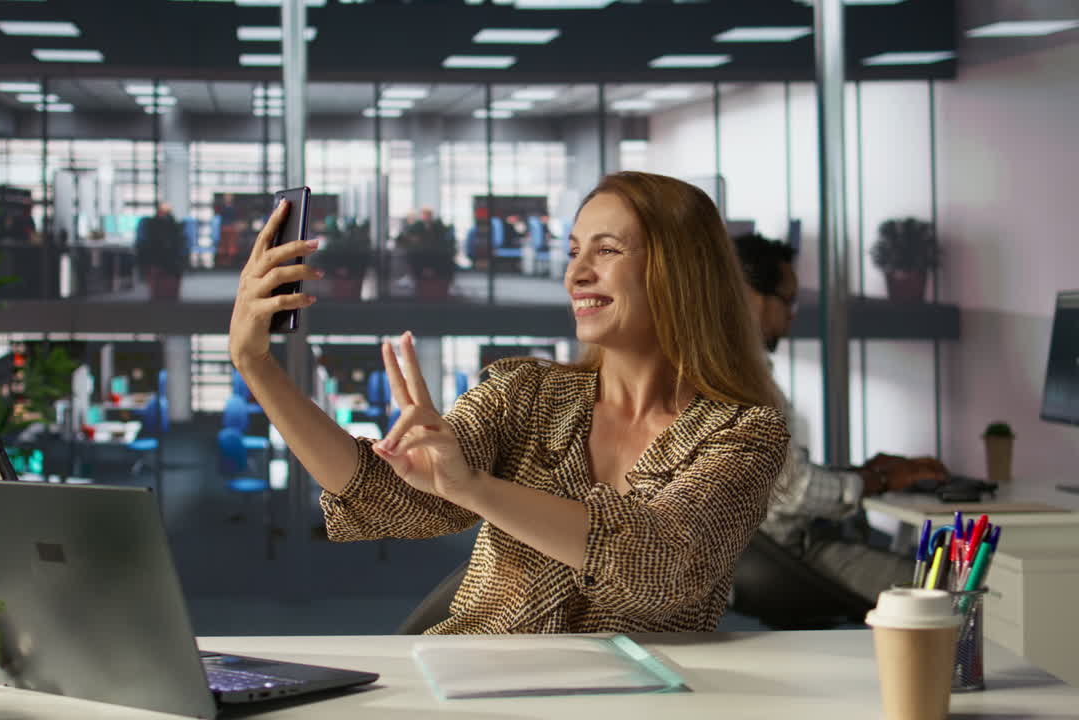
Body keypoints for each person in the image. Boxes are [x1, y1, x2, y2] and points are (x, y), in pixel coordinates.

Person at [229, 172, 789, 634]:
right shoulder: (525, 393)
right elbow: (384, 493)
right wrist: (259, 368)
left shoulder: (744, 433)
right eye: (573, 252)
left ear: (680, 273)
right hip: (475, 688)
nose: (577, 272)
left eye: (607, 250)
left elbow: (665, 564)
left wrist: (473, 487)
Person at [732, 232, 949, 602]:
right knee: (945, 585)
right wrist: (878, 479)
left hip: (773, 558)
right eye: (788, 301)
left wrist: (856, 473)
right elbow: (794, 491)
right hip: (792, 561)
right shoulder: (743, 382)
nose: (792, 315)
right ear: (751, 297)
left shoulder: (725, 371)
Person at [136, 202, 186, 300]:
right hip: (164, 257)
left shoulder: (152, 224)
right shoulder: (172, 225)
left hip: (162, 257)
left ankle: (161, 291)